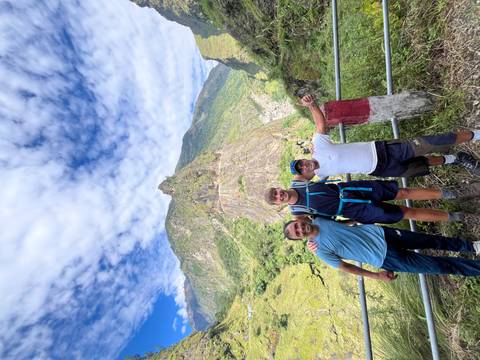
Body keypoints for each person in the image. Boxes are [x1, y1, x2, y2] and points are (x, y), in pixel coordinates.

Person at [291, 94, 480, 180]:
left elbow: (320, 124)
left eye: (302, 163)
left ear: (304, 159)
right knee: (421, 165)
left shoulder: (318, 146)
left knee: (429, 143)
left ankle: (476, 135)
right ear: (304, 173)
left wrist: (311, 105)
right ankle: (456, 159)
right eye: (302, 169)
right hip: (380, 169)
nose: (305, 166)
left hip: (381, 150)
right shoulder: (319, 174)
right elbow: (300, 186)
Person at [284, 217, 480, 279]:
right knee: (438, 267)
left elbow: (344, 223)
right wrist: (376, 276)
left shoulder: (319, 218)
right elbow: (346, 268)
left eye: (297, 225)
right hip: (385, 259)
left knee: (431, 241)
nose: (300, 229)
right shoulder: (319, 250)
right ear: (300, 238)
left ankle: (472, 246)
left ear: (300, 221)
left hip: (384, 235)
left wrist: (364, 219)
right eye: (297, 232)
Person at [265, 179, 480, 224]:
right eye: (276, 198)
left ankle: (452, 192)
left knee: (401, 191)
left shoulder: (298, 181)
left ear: (278, 187)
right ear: (278, 205)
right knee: (405, 213)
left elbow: (314, 164)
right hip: (352, 209)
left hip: (351, 189)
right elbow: (317, 226)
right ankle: (456, 217)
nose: (279, 195)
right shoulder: (297, 213)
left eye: (276, 192)